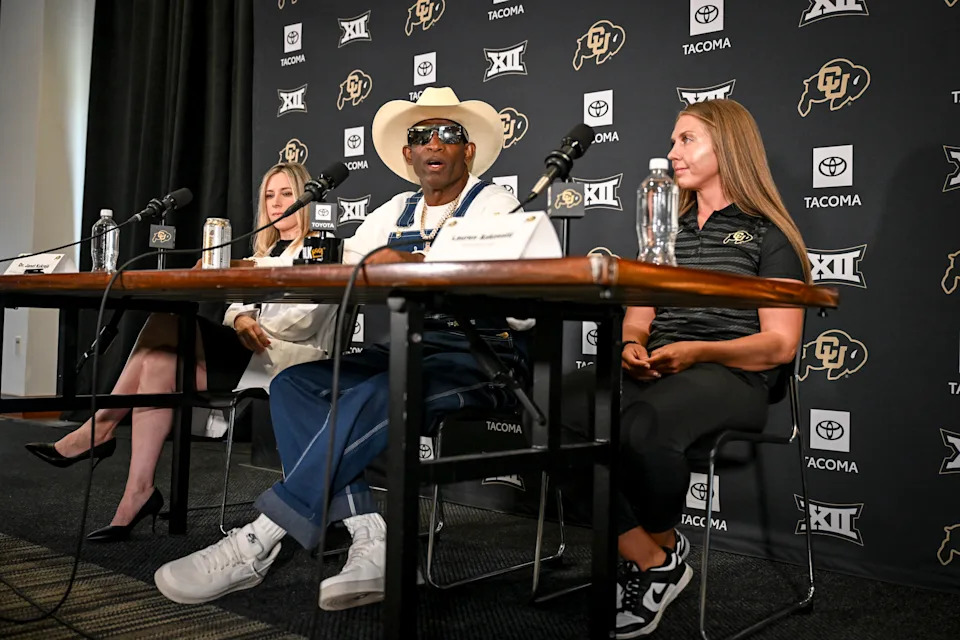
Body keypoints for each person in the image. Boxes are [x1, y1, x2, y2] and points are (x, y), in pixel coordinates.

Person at [153, 87, 528, 609]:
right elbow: (332, 262)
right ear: (407, 154)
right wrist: (245, 273)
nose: (434, 143)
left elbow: (522, 304)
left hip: (476, 357)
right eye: (421, 136)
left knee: (374, 391)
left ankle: (257, 540)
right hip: (403, 350)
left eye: (449, 134)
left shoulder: (497, 204)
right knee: (296, 384)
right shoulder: (395, 208)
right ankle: (372, 536)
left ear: (468, 150)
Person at [25, 162, 338, 542]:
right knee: (159, 355)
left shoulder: (326, 245)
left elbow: (304, 320)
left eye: (286, 194)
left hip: (282, 356)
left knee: (167, 326)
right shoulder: (266, 249)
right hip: (246, 349)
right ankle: (136, 492)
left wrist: (244, 317)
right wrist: (239, 318)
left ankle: (101, 428)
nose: (276, 203)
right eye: (269, 196)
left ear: (306, 196)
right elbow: (237, 306)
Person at [594, 99, 811, 638]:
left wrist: (697, 351)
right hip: (663, 371)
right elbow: (638, 319)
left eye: (686, 140)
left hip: (733, 378)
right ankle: (653, 558)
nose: (672, 153)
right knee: (555, 415)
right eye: (673, 141)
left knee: (643, 425)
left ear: (728, 147)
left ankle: (658, 550)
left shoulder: (768, 233)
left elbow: (781, 345)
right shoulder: (665, 228)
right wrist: (630, 345)